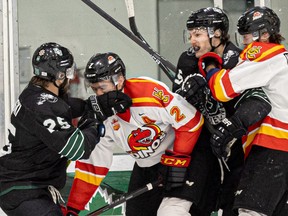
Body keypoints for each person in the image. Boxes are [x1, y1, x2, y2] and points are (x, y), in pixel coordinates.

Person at [65, 52, 204, 216]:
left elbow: (191, 120)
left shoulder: (149, 93)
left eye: (102, 88)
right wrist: (73, 209)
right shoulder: (102, 116)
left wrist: (177, 160)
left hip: (185, 158)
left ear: (120, 80)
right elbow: (92, 167)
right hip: (146, 167)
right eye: (95, 89)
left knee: (171, 213)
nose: (99, 95)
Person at [0, 42, 129, 216]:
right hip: (23, 189)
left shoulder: (34, 94)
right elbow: (77, 149)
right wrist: (95, 118)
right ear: (59, 76)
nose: (70, 77)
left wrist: (92, 104)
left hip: (24, 186)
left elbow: (65, 107)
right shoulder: (42, 106)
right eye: (68, 72)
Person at [170, 7, 271, 216]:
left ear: (216, 34)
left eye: (197, 34)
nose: (192, 41)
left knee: (232, 208)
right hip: (205, 145)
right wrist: (187, 96)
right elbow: (176, 108)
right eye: (190, 35)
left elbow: (255, 104)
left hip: (237, 146)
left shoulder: (239, 61)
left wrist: (229, 126)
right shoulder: (187, 60)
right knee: (196, 206)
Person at [199, 6, 288, 216]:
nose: (245, 42)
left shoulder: (266, 53)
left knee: (251, 212)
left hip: (274, 147)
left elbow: (222, 89)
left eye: (247, 34)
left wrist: (210, 66)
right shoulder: (283, 59)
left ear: (264, 34)